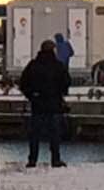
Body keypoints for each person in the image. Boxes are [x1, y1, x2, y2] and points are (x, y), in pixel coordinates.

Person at [20, 39, 70, 168]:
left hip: (37, 105)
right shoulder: (58, 66)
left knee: (34, 134)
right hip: (54, 105)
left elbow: (23, 83)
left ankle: (32, 160)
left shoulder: (33, 65)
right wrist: (60, 94)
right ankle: (55, 159)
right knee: (55, 134)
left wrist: (31, 96)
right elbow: (66, 82)